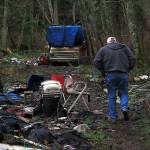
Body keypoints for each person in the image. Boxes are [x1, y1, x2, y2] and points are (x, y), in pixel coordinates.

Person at [93, 37, 136, 122]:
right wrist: (128, 69)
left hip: (110, 75)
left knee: (111, 96)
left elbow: (96, 62)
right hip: (123, 74)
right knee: (123, 93)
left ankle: (113, 117)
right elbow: (133, 59)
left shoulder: (103, 49)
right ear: (116, 41)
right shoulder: (124, 48)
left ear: (108, 42)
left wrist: (103, 71)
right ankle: (124, 107)